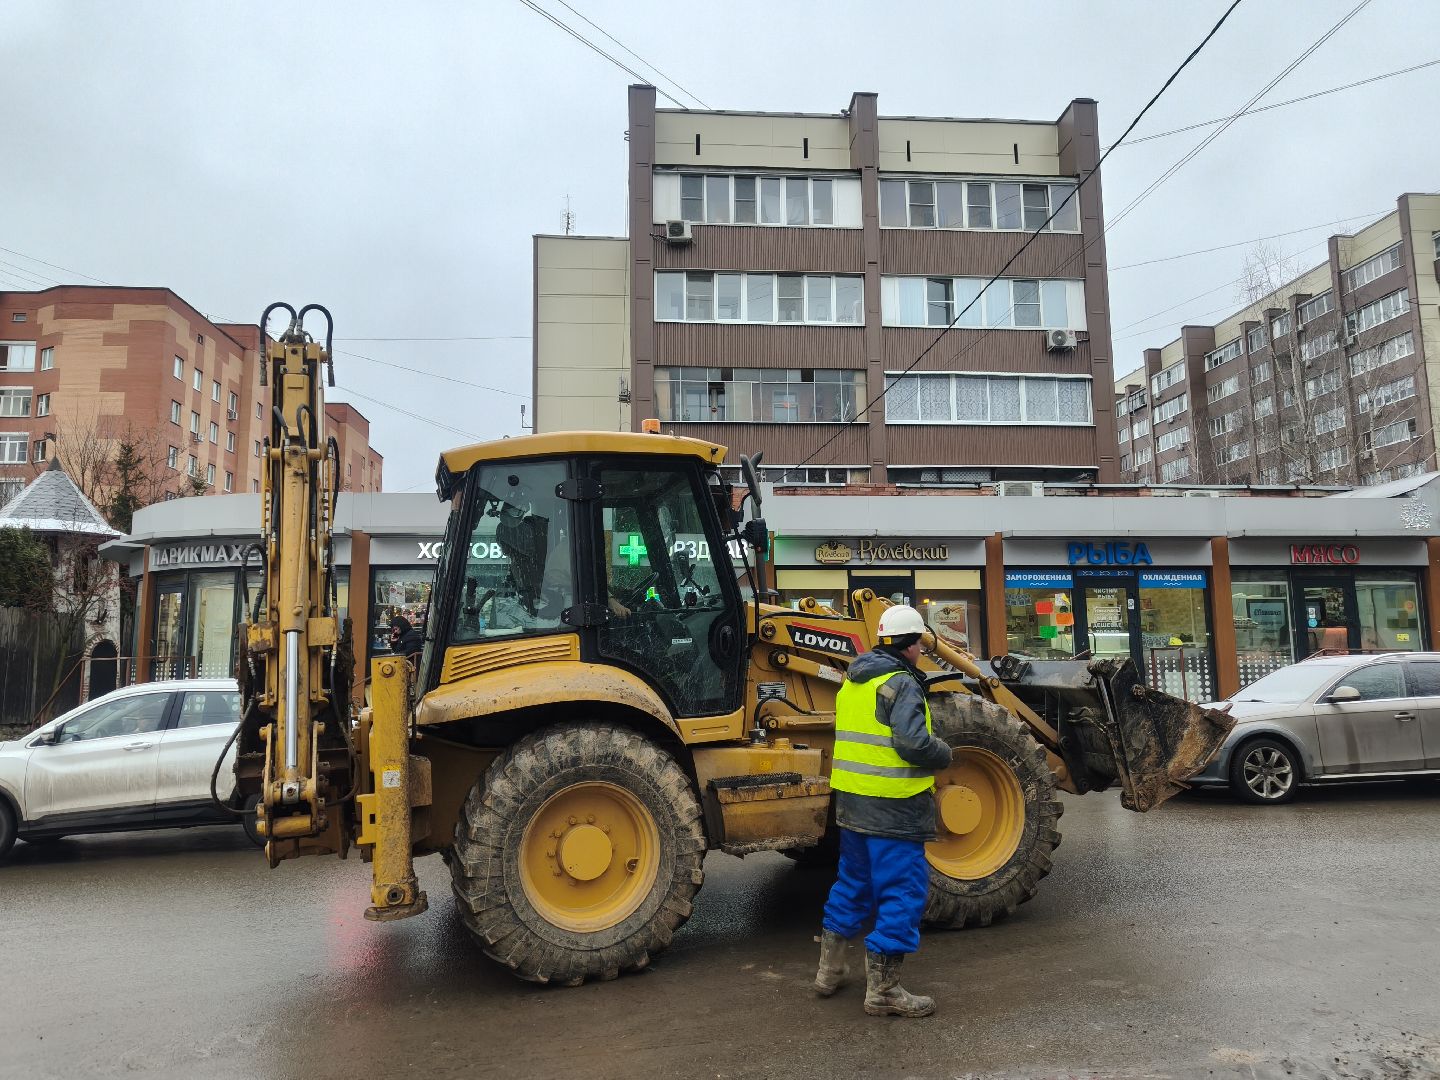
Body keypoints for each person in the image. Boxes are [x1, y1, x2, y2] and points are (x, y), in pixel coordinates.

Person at [813, 604, 953, 1018]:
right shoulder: (902, 683)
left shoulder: (853, 682)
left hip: (853, 804)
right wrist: (944, 752)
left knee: (852, 884)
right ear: (913, 645)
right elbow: (913, 744)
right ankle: (885, 991)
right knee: (902, 892)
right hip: (895, 809)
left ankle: (829, 971)